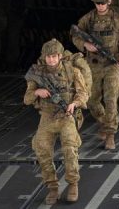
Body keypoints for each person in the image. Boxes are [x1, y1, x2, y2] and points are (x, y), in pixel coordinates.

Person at [24, 39, 89, 204]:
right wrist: (37, 91)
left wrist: (74, 104)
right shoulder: (37, 74)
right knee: (42, 150)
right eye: (48, 57)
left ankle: (73, 184)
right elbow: (26, 99)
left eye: (54, 56)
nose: (51, 60)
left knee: (69, 148)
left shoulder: (72, 72)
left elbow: (83, 94)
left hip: (66, 116)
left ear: (60, 56)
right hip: (47, 117)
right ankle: (52, 187)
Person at [71, 0, 119, 150]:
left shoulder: (118, 19)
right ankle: (104, 122)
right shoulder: (88, 19)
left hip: (112, 64)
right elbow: (75, 35)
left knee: (111, 99)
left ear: (110, 1)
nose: (100, 6)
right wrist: (85, 45)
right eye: (97, 3)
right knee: (91, 100)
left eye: (103, 3)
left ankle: (110, 135)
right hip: (93, 65)